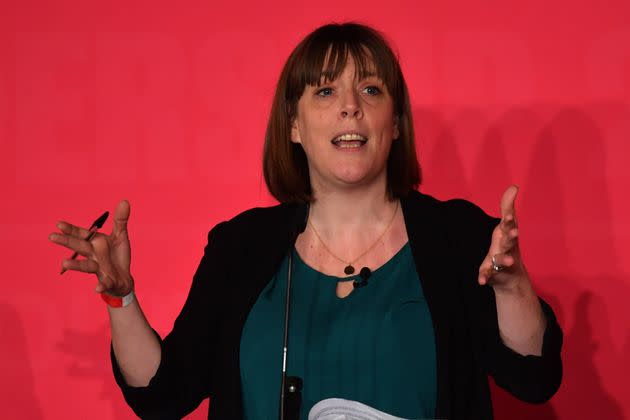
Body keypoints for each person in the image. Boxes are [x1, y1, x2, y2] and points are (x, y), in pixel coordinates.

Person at [48, 22, 563, 419]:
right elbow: (163, 393)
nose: (349, 109)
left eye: (370, 90)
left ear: (396, 123)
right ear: (292, 125)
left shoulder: (456, 238)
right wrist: (121, 296)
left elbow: (534, 379)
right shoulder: (240, 248)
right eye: (324, 92)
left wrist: (512, 285)